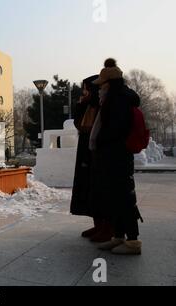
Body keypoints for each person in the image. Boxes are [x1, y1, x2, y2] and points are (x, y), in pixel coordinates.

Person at [90, 59, 143, 255]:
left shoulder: (119, 100)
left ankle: (133, 242)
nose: (99, 89)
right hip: (112, 156)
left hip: (118, 156)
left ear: (109, 84)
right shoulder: (113, 98)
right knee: (115, 198)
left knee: (125, 199)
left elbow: (116, 130)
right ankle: (119, 236)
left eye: (102, 85)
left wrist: (102, 141)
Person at [71, 75, 112, 241]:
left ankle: (107, 227)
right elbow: (79, 124)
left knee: (98, 189)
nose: (84, 92)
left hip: (97, 153)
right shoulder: (88, 105)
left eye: (87, 89)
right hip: (86, 151)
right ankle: (98, 225)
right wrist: (80, 105)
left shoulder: (102, 106)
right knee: (88, 187)